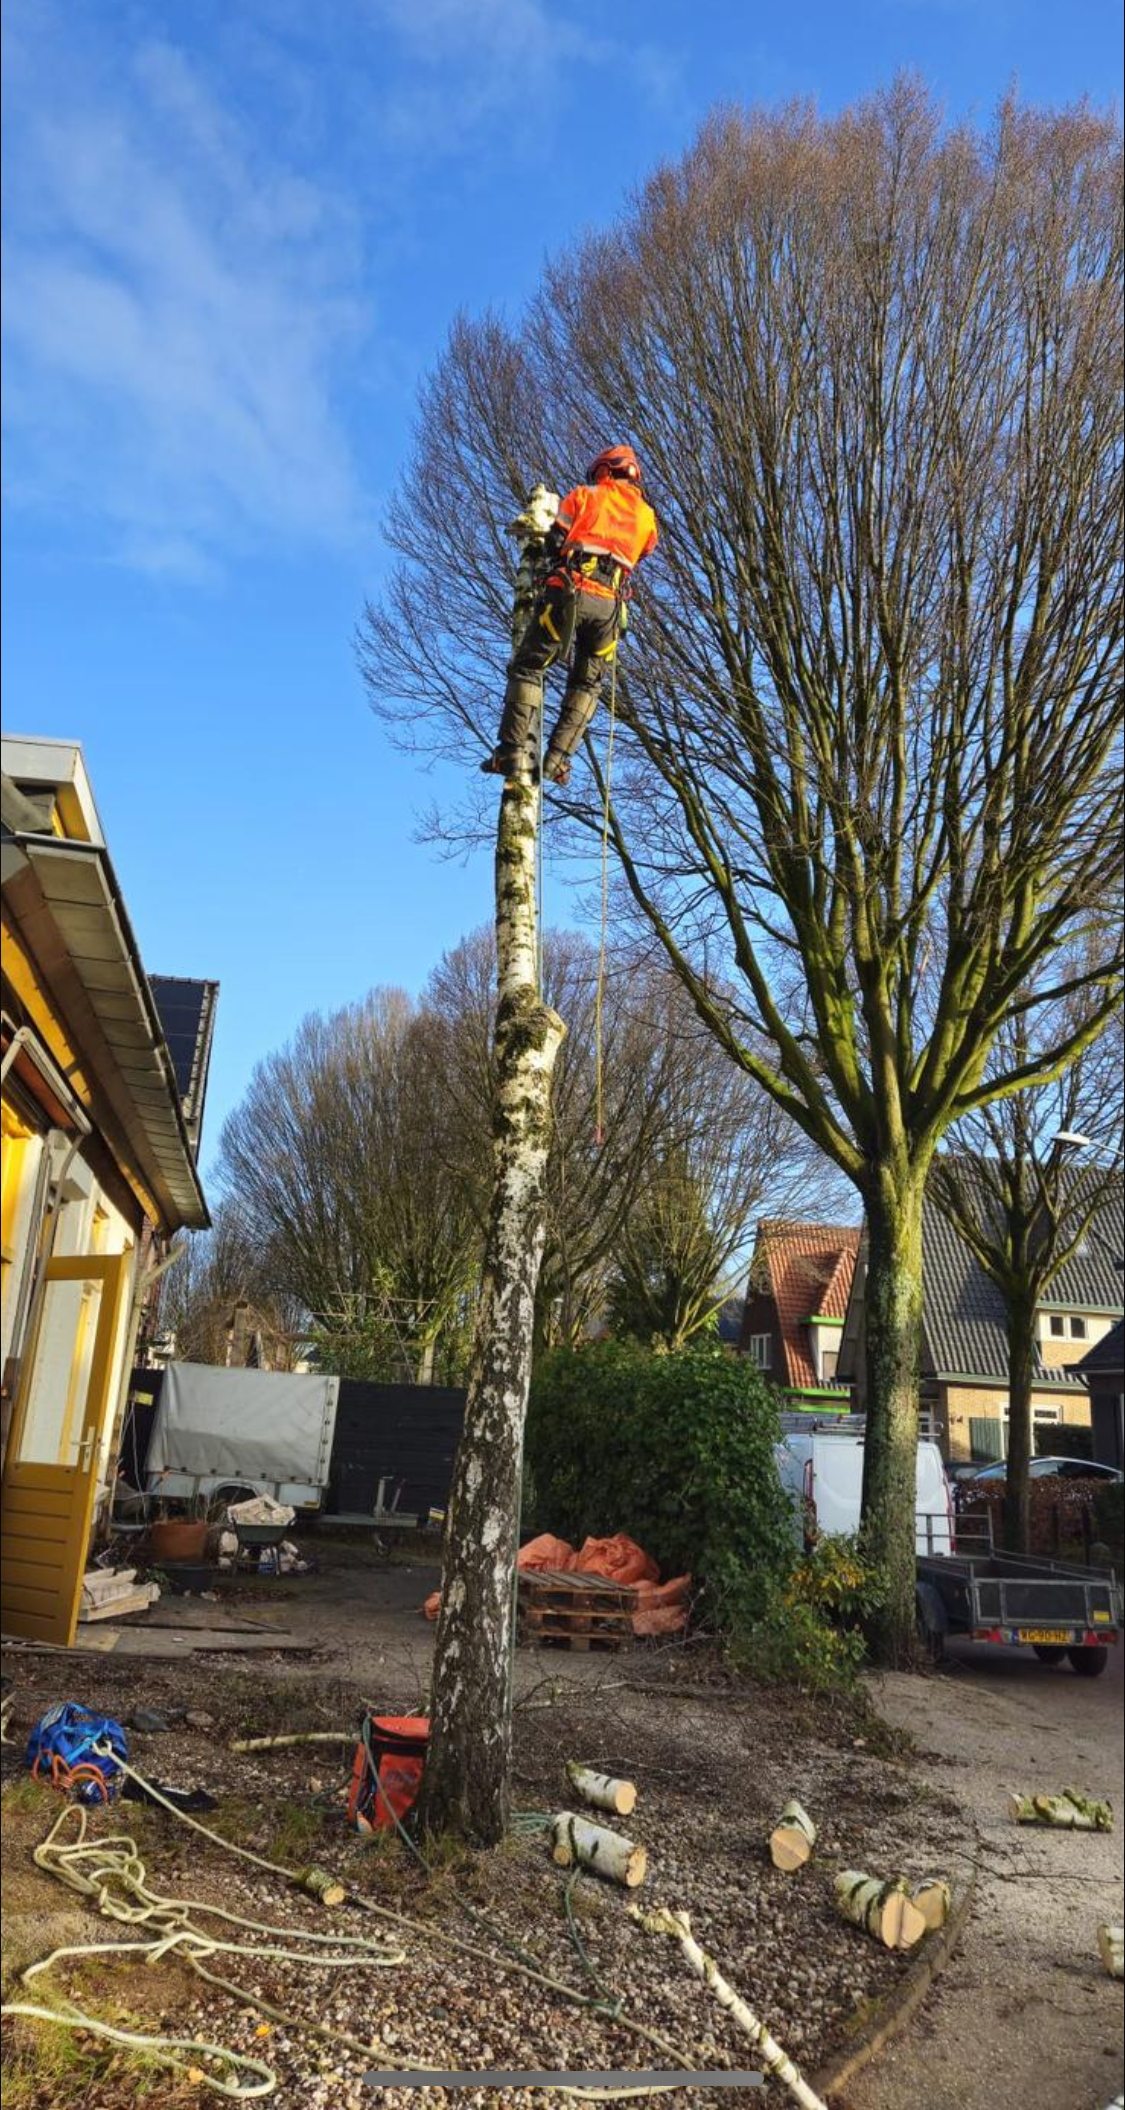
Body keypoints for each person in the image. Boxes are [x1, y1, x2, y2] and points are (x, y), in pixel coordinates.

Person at [481, 445, 658, 788]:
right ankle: (559, 760)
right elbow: (646, 549)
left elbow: (556, 539)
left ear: (604, 470)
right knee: (587, 684)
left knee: (529, 665)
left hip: (571, 592)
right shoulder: (647, 516)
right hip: (610, 610)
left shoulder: (583, 496)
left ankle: (511, 751)